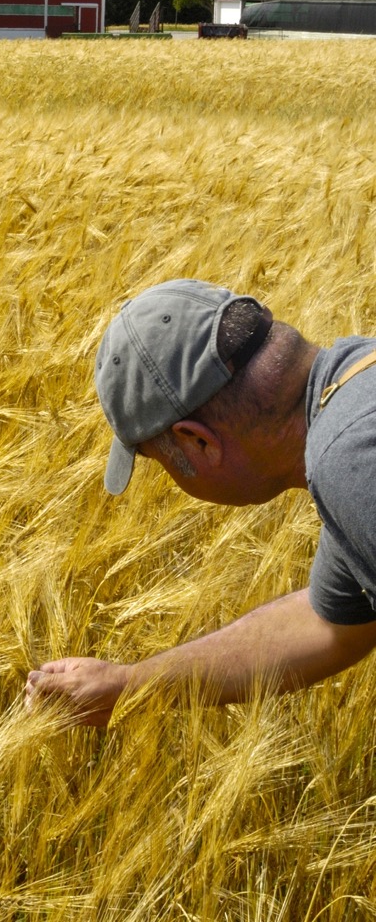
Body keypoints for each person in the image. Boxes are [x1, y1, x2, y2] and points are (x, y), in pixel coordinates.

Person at [24, 279, 376, 727]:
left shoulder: (351, 463)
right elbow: (329, 626)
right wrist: (128, 685)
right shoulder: (357, 383)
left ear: (197, 441)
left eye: (159, 463)